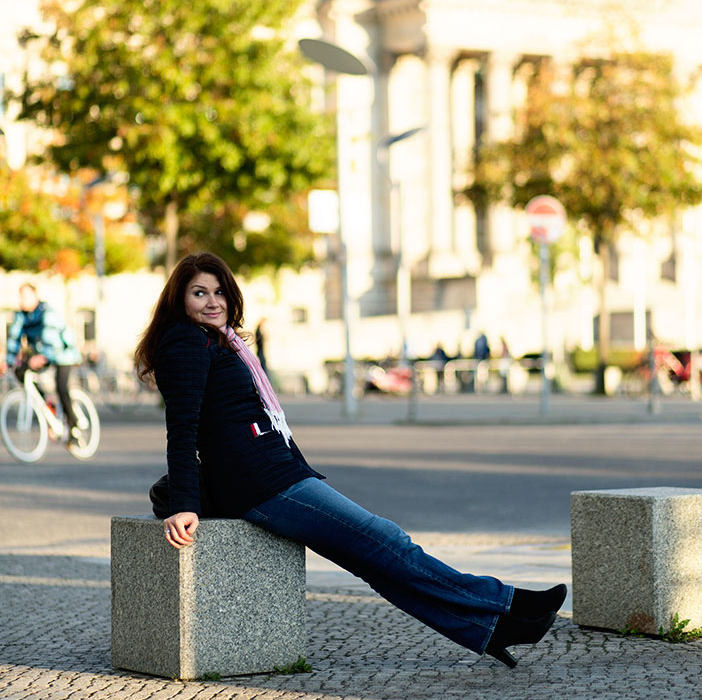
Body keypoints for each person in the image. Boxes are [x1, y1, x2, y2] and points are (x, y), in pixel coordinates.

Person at [135, 253, 566, 670]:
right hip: (260, 483)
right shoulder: (186, 342)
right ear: (180, 300)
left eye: (219, 292)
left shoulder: (221, 343)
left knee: (372, 557)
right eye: (199, 293)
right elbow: (183, 428)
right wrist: (184, 504)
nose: (213, 302)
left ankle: (487, 629)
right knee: (384, 540)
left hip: (276, 473)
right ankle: (508, 603)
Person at [3, 283, 82, 441]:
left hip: (62, 353)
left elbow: (50, 338)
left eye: (26, 296)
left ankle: (74, 428)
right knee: (20, 372)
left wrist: (43, 356)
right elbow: (14, 339)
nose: (22, 300)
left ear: (35, 296)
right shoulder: (21, 316)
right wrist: (8, 362)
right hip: (41, 355)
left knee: (61, 387)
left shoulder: (47, 313)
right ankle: (47, 404)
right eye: (20, 296)